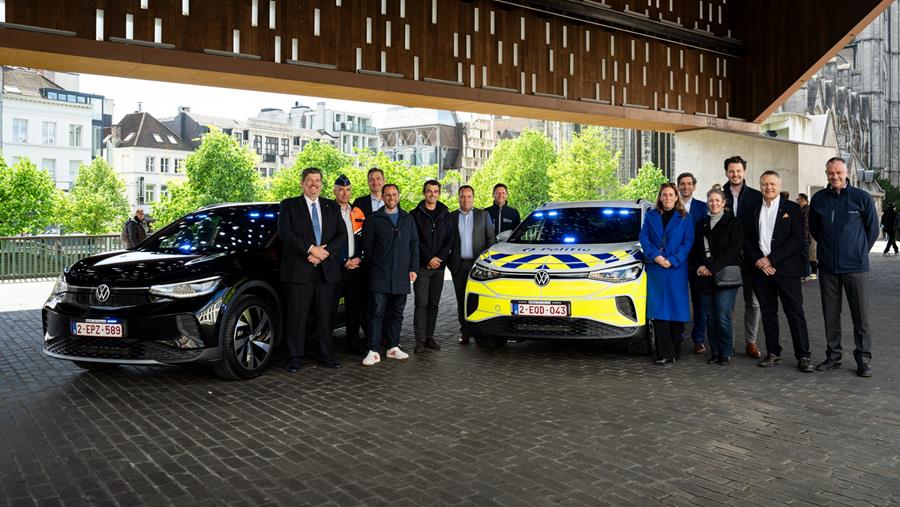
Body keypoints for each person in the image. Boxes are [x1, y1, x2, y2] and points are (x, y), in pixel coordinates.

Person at [809, 157, 879, 377]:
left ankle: (864, 359)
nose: (835, 176)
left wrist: (858, 252)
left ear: (846, 172)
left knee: (861, 316)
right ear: (826, 174)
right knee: (831, 314)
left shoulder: (861, 197)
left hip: (855, 268)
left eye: (839, 172)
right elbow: (814, 229)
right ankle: (833, 356)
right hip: (828, 267)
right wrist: (828, 251)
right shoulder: (819, 199)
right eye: (830, 173)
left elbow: (873, 229)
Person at [278, 167, 347, 372]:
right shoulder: (289, 205)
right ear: (302, 183)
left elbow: (342, 235)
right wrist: (310, 249)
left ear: (321, 184)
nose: (314, 184)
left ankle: (326, 354)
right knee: (297, 316)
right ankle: (295, 357)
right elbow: (285, 234)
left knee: (325, 316)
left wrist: (324, 254)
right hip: (299, 269)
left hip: (326, 271)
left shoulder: (330, 207)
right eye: (310, 180)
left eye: (317, 180)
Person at [743, 171, 813, 372]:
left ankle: (803, 355)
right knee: (768, 312)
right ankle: (773, 352)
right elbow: (747, 239)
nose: (768, 187)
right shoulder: (752, 209)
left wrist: (771, 259)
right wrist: (759, 261)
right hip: (761, 271)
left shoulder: (792, 209)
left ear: (779, 185)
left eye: (772, 184)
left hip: (786, 270)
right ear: (760, 185)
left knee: (795, 312)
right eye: (764, 184)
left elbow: (797, 238)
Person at [360, 184, 417, 366]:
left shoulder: (407, 219)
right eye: (388, 195)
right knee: (377, 312)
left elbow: (414, 245)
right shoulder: (374, 219)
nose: (391, 198)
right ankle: (373, 350)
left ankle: (393, 347)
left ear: (398, 196)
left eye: (394, 194)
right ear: (382, 197)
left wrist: (413, 268)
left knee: (397, 313)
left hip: (401, 275)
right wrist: (377, 265)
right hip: (380, 275)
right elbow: (367, 249)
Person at [639, 183, 695, 366]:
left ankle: (675, 350)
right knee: (658, 312)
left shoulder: (685, 217)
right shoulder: (651, 216)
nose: (668, 198)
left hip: (676, 269)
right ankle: (663, 353)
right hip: (656, 269)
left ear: (677, 197)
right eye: (664, 195)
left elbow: (688, 242)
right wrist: (655, 256)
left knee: (675, 311)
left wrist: (673, 259)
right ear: (660, 197)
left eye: (671, 194)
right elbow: (644, 238)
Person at [689, 185, 743, 365]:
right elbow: (695, 250)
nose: (714, 203)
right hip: (704, 278)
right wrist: (699, 267)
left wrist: (711, 267)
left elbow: (733, 251)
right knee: (710, 317)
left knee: (722, 316)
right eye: (710, 201)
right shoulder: (701, 224)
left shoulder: (734, 223)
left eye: (717, 200)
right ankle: (715, 352)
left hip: (725, 277)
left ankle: (726, 351)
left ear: (723, 203)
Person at [721, 155, 764, 359]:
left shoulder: (756, 196)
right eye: (731, 171)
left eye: (738, 171)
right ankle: (727, 343)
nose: (735, 174)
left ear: (744, 172)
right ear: (726, 173)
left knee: (753, 303)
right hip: (727, 259)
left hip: (750, 257)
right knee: (727, 304)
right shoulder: (718, 196)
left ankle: (751, 342)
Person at [409, 179, 454, 353]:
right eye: (429, 191)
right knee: (421, 304)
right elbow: (415, 240)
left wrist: (439, 258)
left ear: (439, 194)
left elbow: (450, 239)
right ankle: (419, 340)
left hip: (439, 268)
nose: (432, 194)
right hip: (422, 266)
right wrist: (428, 258)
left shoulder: (445, 214)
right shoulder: (415, 214)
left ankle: (429, 337)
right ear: (424, 193)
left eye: (435, 191)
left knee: (434, 304)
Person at [448, 185, 495, 345]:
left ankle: (481, 331)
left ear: (473, 198)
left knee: (480, 299)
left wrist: (486, 263)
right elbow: (446, 242)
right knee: (462, 300)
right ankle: (465, 332)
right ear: (458, 197)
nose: (465, 199)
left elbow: (491, 240)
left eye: (468, 196)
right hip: (458, 266)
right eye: (462, 196)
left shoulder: (483, 215)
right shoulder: (451, 217)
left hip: (478, 268)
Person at [333, 174, 367, 355]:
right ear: (335, 191)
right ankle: (327, 346)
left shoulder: (358, 212)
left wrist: (359, 258)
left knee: (355, 308)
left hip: (355, 267)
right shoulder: (329, 211)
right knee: (331, 308)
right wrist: (342, 261)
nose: (345, 193)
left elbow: (363, 239)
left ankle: (353, 343)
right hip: (336, 268)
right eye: (341, 190)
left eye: (347, 190)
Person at [677, 172, 710, 354]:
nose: (686, 187)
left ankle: (699, 339)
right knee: (680, 300)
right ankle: (679, 336)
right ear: (678, 186)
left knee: (700, 303)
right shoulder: (671, 207)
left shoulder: (703, 208)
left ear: (694, 186)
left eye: (689, 184)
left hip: (697, 263)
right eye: (682, 184)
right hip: (678, 263)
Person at [796, 193, 818, 280]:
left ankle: (809, 274)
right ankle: (806, 274)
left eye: (798, 200)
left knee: (809, 256)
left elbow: (805, 225)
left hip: (807, 237)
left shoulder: (807, 210)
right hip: (804, 237)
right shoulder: (801, 210)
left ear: (803, 200)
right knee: (805, 256)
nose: (797, 201)